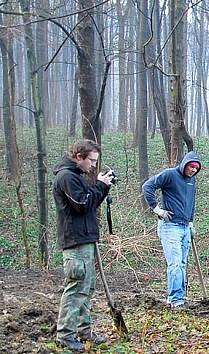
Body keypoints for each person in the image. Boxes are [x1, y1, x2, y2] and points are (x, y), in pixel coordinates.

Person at [53, 139, 114, 351]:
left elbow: (89, 202)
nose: (93, 165)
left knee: (87, 288)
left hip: (85, 239)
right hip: (75, 241)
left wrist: (101, 188)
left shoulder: (75, 177)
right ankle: (65, 334)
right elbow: (82, 204)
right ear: (79, 156)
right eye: (92, 160)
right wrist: (100, 185)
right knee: (76, 288)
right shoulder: (66, 177)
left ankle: (84, 330)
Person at [142, 151, 202, 310]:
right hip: (170, 226)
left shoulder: (192, 181)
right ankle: (176, 301)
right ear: (185, 164)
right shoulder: (169, 175)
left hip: (185, 227)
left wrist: (190, 222)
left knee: (182, 264)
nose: (193, 170)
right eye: (191, 166)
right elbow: (147, 186)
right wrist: (157, 209)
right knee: (175, 263)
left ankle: (177, 297)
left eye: (196, 168)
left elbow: (191, 202)